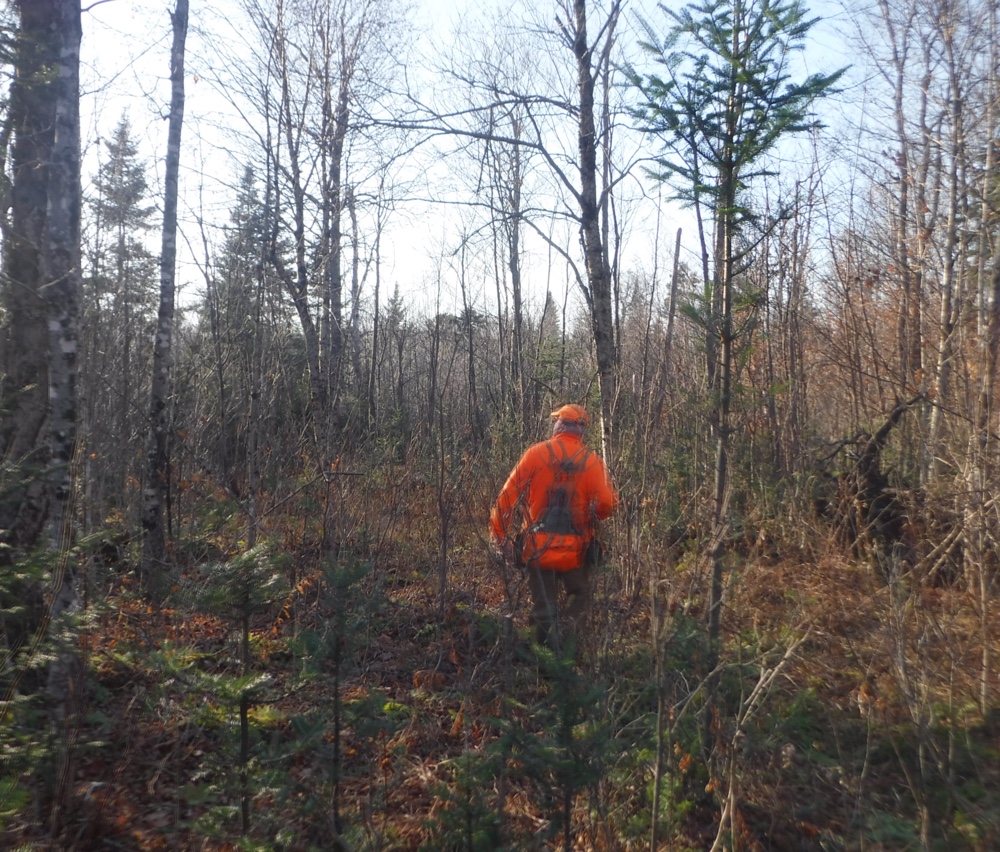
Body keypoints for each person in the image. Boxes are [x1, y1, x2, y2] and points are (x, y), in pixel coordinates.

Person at [490, 404, 619, 653]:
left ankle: (543, 662)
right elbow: (608, 504)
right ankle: (567, 644)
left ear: (560, 425)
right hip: (576, 552)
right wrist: (595, 514)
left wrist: (501, 535)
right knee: (581, 594)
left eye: (556, 422)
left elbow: (506, 497)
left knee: (543, 609)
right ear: (581, 430)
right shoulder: (593, 462)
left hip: (538, 550)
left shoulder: (535, 454)